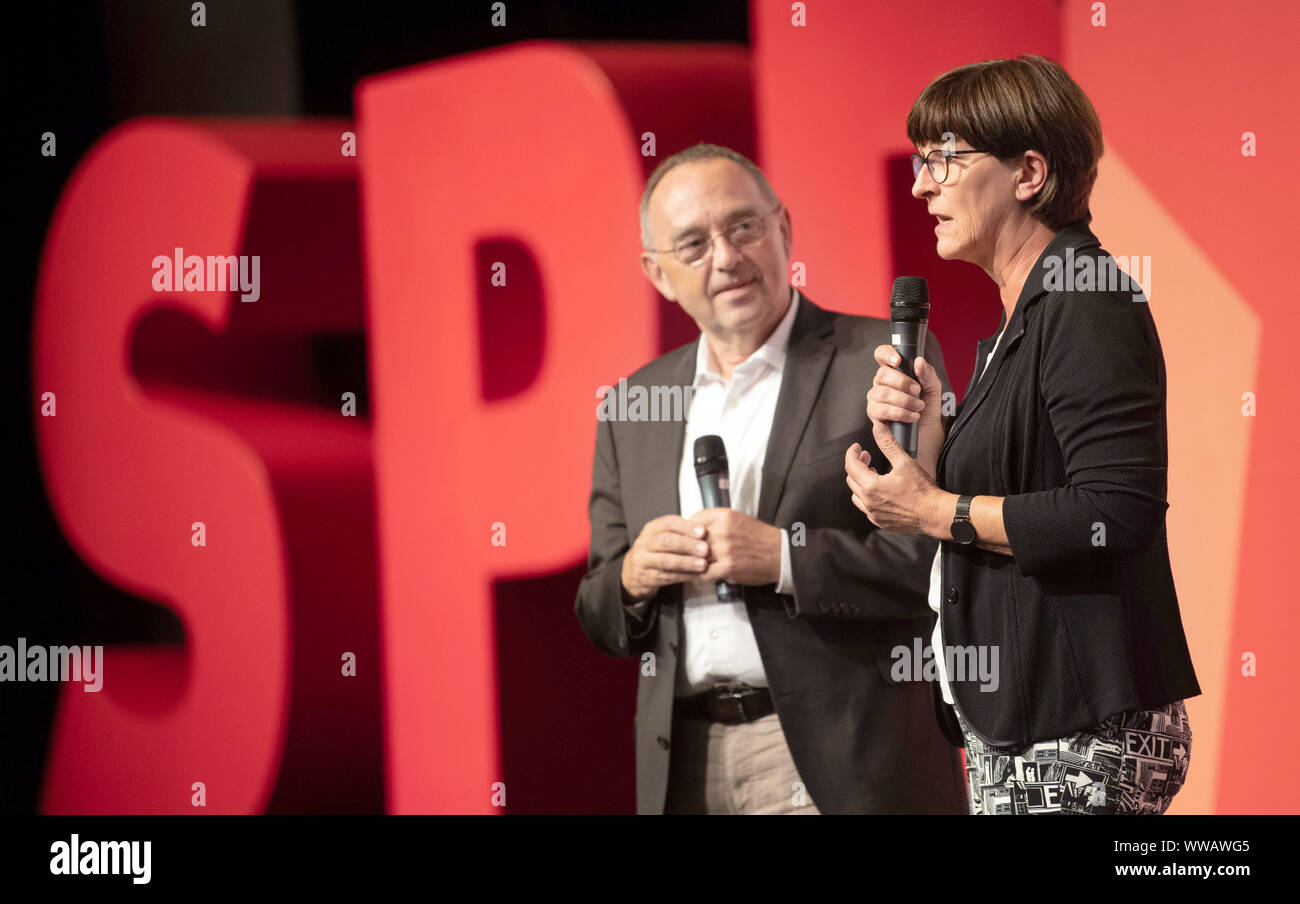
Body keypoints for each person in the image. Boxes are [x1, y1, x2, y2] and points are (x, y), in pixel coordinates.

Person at [844, 56, 1200, 815]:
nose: (920, 185)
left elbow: (1115, 510)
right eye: (918, 161)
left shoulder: (1086, 297)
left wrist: (931, 511)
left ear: (1028, 172)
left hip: (1076, 732)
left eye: (943, 159)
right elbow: (1016, 487)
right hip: (1031, 726)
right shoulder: (1032, 312)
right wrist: (932, 437)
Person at [575, 143, 966, 814]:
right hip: (687, 765)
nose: (726, 257)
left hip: (844, 756)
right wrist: (635, 576)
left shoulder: (881, 363)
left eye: (743, 227)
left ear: (783, 228)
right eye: (693, 245)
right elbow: (598, 609)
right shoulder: (631, 407)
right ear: (658, 274)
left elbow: (934, 562)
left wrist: (784, 559)